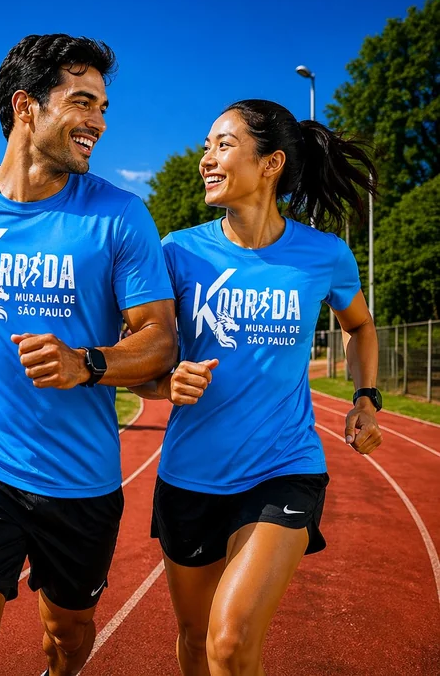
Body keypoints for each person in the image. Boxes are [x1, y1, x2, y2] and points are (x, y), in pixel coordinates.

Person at [0, 34, 177, 676]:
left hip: (82, 480)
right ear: (26, 107)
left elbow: (160, 341)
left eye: (103, 106)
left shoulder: (121, 216)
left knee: (67, 637)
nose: (98, 122)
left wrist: (87, 365)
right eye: (82, 102)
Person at [133, 99, 383, 676]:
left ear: (270, 164)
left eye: (223, 144)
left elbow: (360, 326)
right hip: (188, 476)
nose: (206, 159)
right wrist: (164, 381)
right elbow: (142, 367)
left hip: (283, 468)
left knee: (232, 639)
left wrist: (366, 398)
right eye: (205, 147)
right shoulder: (177, 252)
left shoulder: (323, 255)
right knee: (195, 642)